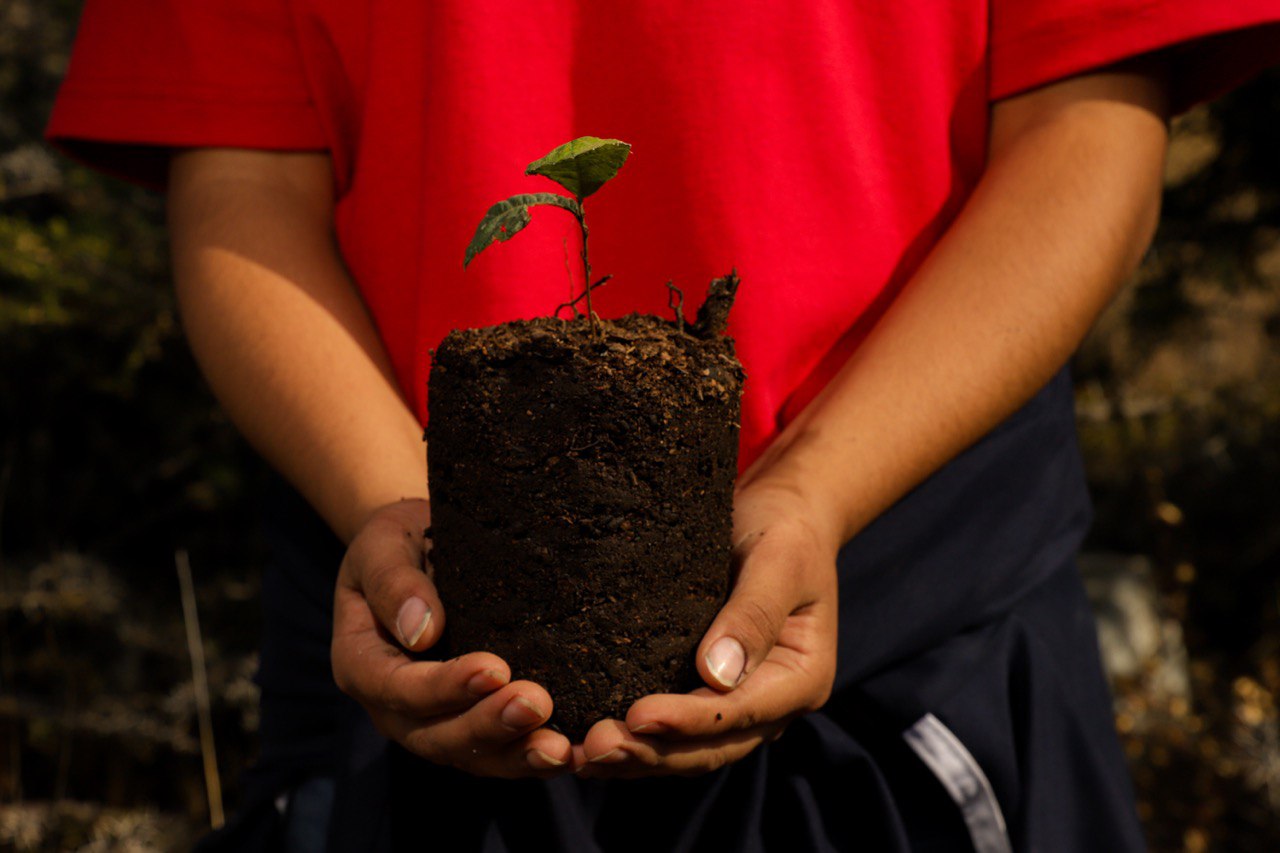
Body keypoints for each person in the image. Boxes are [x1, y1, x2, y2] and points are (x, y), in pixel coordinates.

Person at [47, 2, 1280, 850]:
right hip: (415, 650)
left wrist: (814, 489)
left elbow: (1086, 119)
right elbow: (242, 176)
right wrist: (406, 521)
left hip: (912, 642)